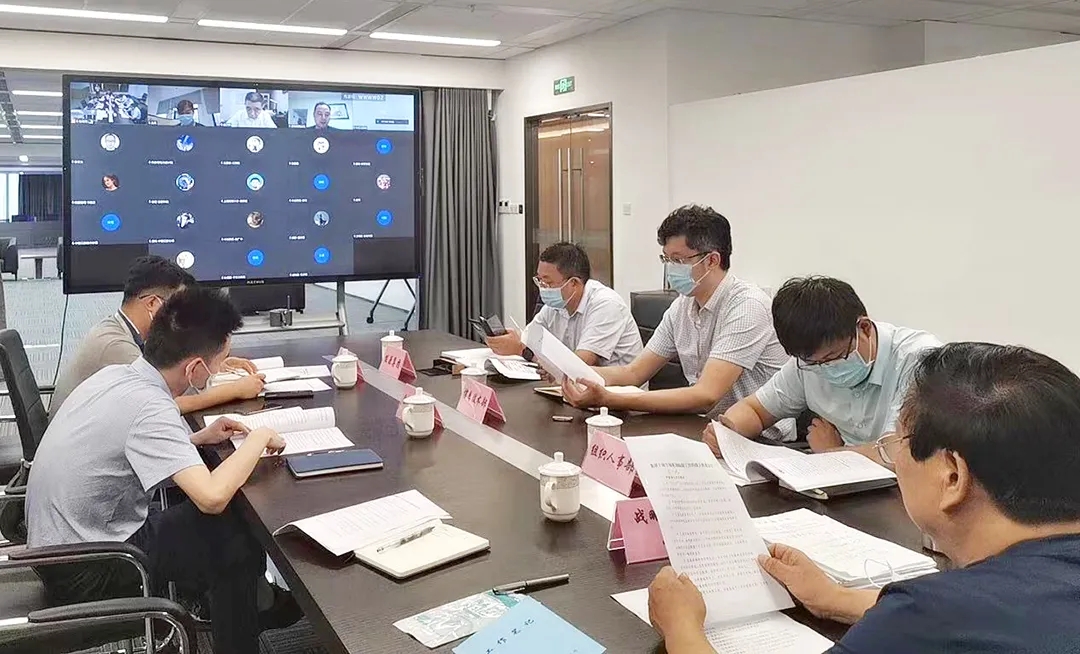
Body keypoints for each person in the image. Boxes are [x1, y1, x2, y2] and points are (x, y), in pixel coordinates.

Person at [649, 342, 1080, 653]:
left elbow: (949, 620)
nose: (895, 458)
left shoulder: (926, 617)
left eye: (896, 445)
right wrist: (836, 598)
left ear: (952, 476)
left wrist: (682, 629)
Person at [27, 287, 287, 654]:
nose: (219, 371)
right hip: (90, 567)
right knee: (231, 529)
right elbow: (211, 497)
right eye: (219, 362)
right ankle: (249, 619)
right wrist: (258, 437)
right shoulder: (151, 406)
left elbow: (127, 447)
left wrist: (196, 439)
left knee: (217, 524)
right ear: (195, 369)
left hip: (54, 549)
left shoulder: (118, 376)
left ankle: (244, 605)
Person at [561, 205, 791, 437]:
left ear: (712, 260)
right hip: (705, 427)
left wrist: (611, 398)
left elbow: (706, 395)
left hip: (760, 438)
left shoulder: (747, 306)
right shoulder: (682, 306)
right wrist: (578, 374)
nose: (670, 269)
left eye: (678, 260)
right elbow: (634, 373)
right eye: (667, 259)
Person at [705, 276, 940, 461]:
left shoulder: (919, 361)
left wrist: (831, 452)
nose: (826, 369)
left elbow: (898, 453)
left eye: (834, 357)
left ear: (864, 328)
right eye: (814, 363)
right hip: (846, 480)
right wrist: (727, 433)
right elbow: (755, 409)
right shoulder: (807, 364)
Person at [48, 255, 264, 420]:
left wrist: (211, 363)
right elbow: (167, 403)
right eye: (176, 307)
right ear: (152, 303)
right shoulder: (115, 346)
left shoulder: (122, 330)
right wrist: (236, 390)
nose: (181, 317)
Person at [487, 242, 642, 367]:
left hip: (618, 392)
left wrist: (522, 351)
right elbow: (529, 339)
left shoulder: (606, 305)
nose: (542, 288)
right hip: (573, 388)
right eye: (539, 280)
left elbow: (580, 365)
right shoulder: (556, 304)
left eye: (548, 282)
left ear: (574, 283)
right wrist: (508, 340)